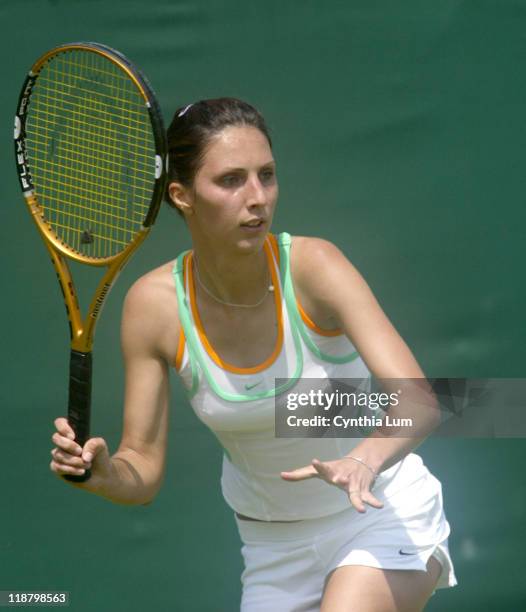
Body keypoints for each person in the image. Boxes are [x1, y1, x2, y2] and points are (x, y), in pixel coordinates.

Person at [50, 98, 457, 611]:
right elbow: (143, 471)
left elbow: (420, 401)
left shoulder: (316, 267)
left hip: (379, 513)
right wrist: (104, 474)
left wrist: (362, 460)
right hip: (272, 549)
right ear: (182, 196)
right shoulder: (152, 308)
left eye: (266, 175)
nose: (257, 197)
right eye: (231, 180)